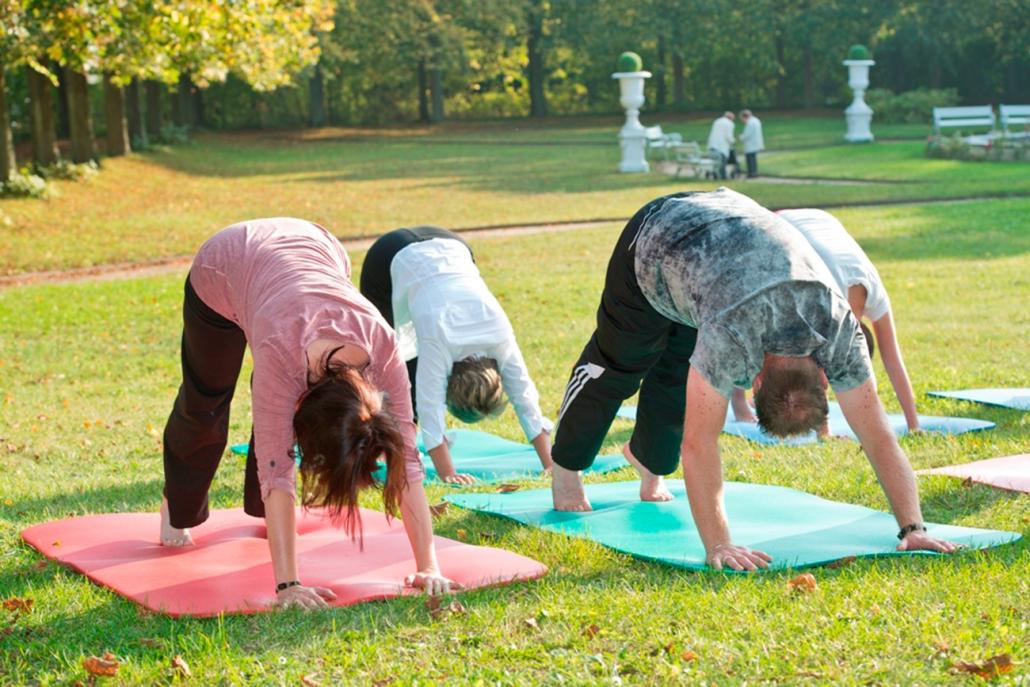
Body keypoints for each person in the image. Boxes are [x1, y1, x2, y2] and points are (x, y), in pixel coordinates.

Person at [549, 188, 958, 571]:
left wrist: (913, 527)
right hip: (657, 235)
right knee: (617, 366)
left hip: (720, 256)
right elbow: (699, 443)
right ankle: (566, 469)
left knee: (678, 373)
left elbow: (879, 436)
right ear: (763, 381)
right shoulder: (731, 334)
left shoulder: (839, 330)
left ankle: (649, 463)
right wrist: (719, 544)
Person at [160, 218, 457, 609]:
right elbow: (277, 466)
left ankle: (261, 513)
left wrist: (428, 565)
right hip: (226, 263)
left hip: (314, 248)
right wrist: (288, 586)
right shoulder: (283, 354)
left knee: (272, 410)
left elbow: (408, 463)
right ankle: (177, 506)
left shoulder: (383, 347)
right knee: (206, 403)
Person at [360, 226, 553, 484]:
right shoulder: (442, 342)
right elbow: (430, 408)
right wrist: (448, 474)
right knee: (383, 362)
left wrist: (551, 465)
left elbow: (525, 398)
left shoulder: (500, 336)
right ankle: (375, 441)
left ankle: (392, 434)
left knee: (413, 370)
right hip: (386, 258)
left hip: (451, 242)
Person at [706, 111, 736, 180]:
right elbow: (728, 136)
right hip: (722, 147)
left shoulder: (717, 121)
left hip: (712, 145)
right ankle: (723, 177)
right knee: (722, 163)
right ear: (731, 118)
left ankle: (715, 175)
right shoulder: (730, 123)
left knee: (715, 163)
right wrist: (733, 141)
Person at [739, 109, 764, 178]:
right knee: (753, 159)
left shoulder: (750, 123)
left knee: (750, 160)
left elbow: (747, 134)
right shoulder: (756, 120)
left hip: (750, 144)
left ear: (745, 117)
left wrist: (740, 137)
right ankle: (754, 172)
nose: (742, 121)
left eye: (742, 119)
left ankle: (751, 174)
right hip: (755, 143)